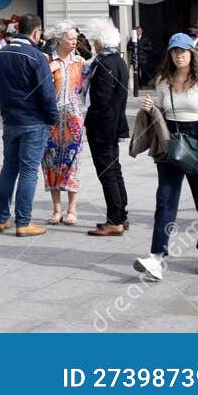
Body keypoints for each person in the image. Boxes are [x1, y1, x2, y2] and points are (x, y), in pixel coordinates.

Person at [132, 34, 198, 281]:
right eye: (175, 51)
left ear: (191, 52)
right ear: (170, 54)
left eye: (183, 51)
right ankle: (155, 257)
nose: (179, 55)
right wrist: (149, 108)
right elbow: (161, 113)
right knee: (165, 199)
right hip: (171, 142)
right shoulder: (164, 80)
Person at [0, 14, 57, 236]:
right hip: (34, 121)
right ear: (36, 32)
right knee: (28, 171)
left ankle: (1, 219)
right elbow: (47, 94)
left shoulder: (1, 54)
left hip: (11, 120)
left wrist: (7, 107)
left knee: (9, 168)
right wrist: (52, 118)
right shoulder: (36, 57)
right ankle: (24, 222)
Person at [83, 20, 132, 237]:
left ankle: (115, 219)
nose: (93, 45)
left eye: (95, 41)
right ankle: (121, 215)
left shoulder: (103, 63)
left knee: (107, 172)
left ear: (101, 41)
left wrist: (90, 120)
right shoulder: (119, 60)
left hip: (102, 126)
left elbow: (101, 100)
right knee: (115, 169)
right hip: (115, 123)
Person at [42, 24, 87, 225]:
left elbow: (85, 91)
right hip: (51, 120)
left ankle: (72, 208)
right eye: (70, 38)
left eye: (75, 38)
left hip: (74, 119)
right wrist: (46, 74)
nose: (74, 42)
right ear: (59, 39)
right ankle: (56, 209)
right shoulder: (47, 60)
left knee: (73, 162)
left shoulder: (81, 62)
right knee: (51, 161)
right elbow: (38, 88)